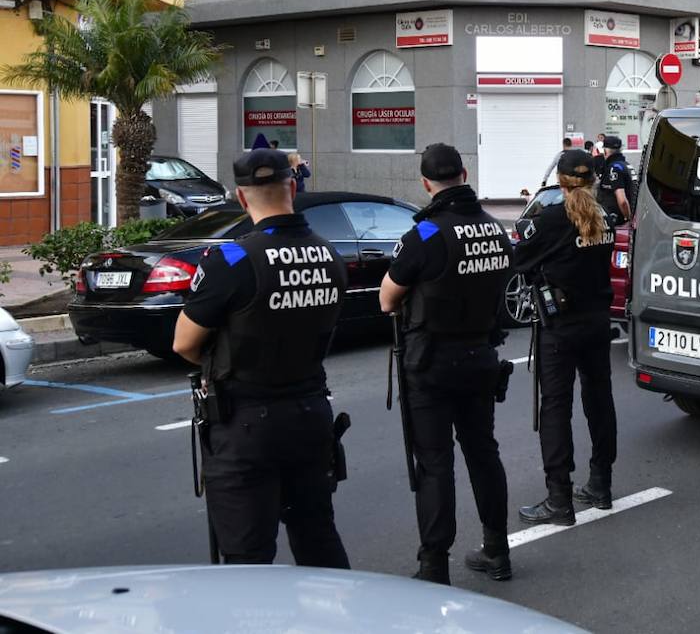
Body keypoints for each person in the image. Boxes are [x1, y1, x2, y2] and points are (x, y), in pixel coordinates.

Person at [171, 148, 349, 568]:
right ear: (292, 188)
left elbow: (184, 343)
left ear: (241, 197)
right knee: (317, 537)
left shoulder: (232, 259)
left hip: (247, 424)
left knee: (248, 556)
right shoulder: (329, 254)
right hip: (310, 414)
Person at [379, 143, 515, 584]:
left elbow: (386, 300)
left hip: (432, 363)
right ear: (464, 175)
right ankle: (497, 551)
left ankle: (434, 566)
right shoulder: (494, 228)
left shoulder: (425, 235)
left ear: (425, 183)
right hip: (481, 356)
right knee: (483, 453)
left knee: (435, 463)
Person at [514, 149, 617, 526]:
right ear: (593, 181)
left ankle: (559, 499)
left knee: (556, 408)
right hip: (597, 322)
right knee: (599, 401)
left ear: (560, 182)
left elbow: (520, 260)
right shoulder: (604, 218)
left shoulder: (551, 219)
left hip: (561, 327)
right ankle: (601, 485)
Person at [597, 135, 634, 225]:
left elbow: (622, 201)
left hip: (617, 222)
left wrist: (628, 219)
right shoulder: (626, 165)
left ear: (605, 151)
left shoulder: (614, 169)